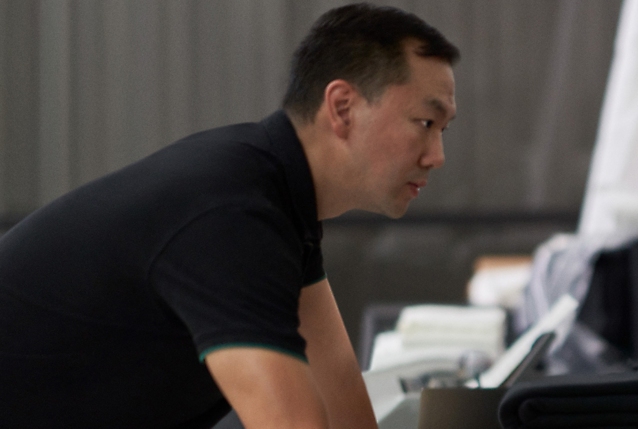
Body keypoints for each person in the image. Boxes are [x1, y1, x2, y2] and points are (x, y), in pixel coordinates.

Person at [0, 3, 458, 428]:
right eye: (424, 123)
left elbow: (338, 390)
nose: (437, 156)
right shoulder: (231, 213)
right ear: (342, 108)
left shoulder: (275, 198)